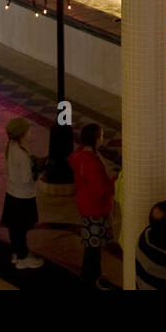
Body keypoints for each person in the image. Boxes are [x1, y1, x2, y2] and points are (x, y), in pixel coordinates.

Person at [68, 123, 117, 286]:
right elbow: (99, 191)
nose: (103, 138)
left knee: (92, 245)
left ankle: (92, 273)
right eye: (101, 136)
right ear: (95, 139)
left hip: (86, 204)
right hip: (95, 208)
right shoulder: (91, 163)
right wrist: (115, 183)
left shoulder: (81, 156)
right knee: (94, 247)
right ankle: (91, 278)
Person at [3, 118, 44, 268]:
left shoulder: (10, 147)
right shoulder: (22, 154)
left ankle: (16, 253)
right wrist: (38, 171)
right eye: (28, 130)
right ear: (22, 134)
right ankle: (23, 257)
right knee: (21, 228)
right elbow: (27, 178)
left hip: (12, 194)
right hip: (23, 197)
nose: (30, 132)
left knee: (14, 228)